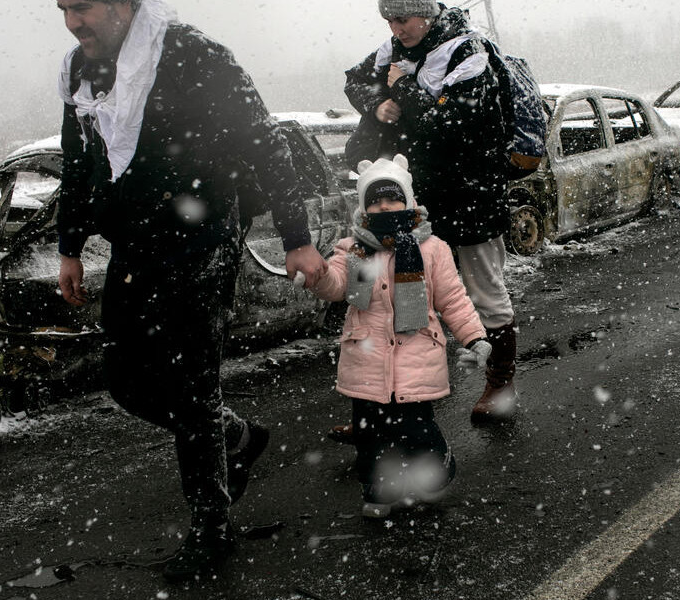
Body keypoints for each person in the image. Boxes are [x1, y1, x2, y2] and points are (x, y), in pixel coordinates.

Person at [52, 0, 327, 581]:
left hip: (202, 238)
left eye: (83, 7)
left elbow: (265, 142)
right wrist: (70, 244)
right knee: (125, 381)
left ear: (125, 4)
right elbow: (80, 157)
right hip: (135, 245)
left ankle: (212, 528)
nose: (74, 22)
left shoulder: (192, 55)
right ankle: (237, 436)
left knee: (189, 379)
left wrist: (297, 237)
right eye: (63, 9)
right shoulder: (83, 68)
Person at [338, 0, 521, 437]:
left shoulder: (468, 53)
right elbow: (353, 81)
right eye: (388, 19)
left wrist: (401, 90)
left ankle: (501, 384)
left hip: (468, 195)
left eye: (402, 18)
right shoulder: (391, 52)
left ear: (427, 13)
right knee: (385, 297)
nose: (395, 28)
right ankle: (381, 405)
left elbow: (455, 122)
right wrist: (380, 100)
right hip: (405, 198)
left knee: (481, 292)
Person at [304, 154, 490, 517]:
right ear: (363, 207)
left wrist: (474, 337)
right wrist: (318, 275)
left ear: (408, 200)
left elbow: (452, 299)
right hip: (366, 360)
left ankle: (438, 468)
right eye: (374, 199)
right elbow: (338, 285)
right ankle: (378, 491)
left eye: (392, 197)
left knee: (417, 432)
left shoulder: (432, 249)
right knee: (369, 435)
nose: (384, 205)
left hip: (416, 359)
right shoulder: (353, 249)